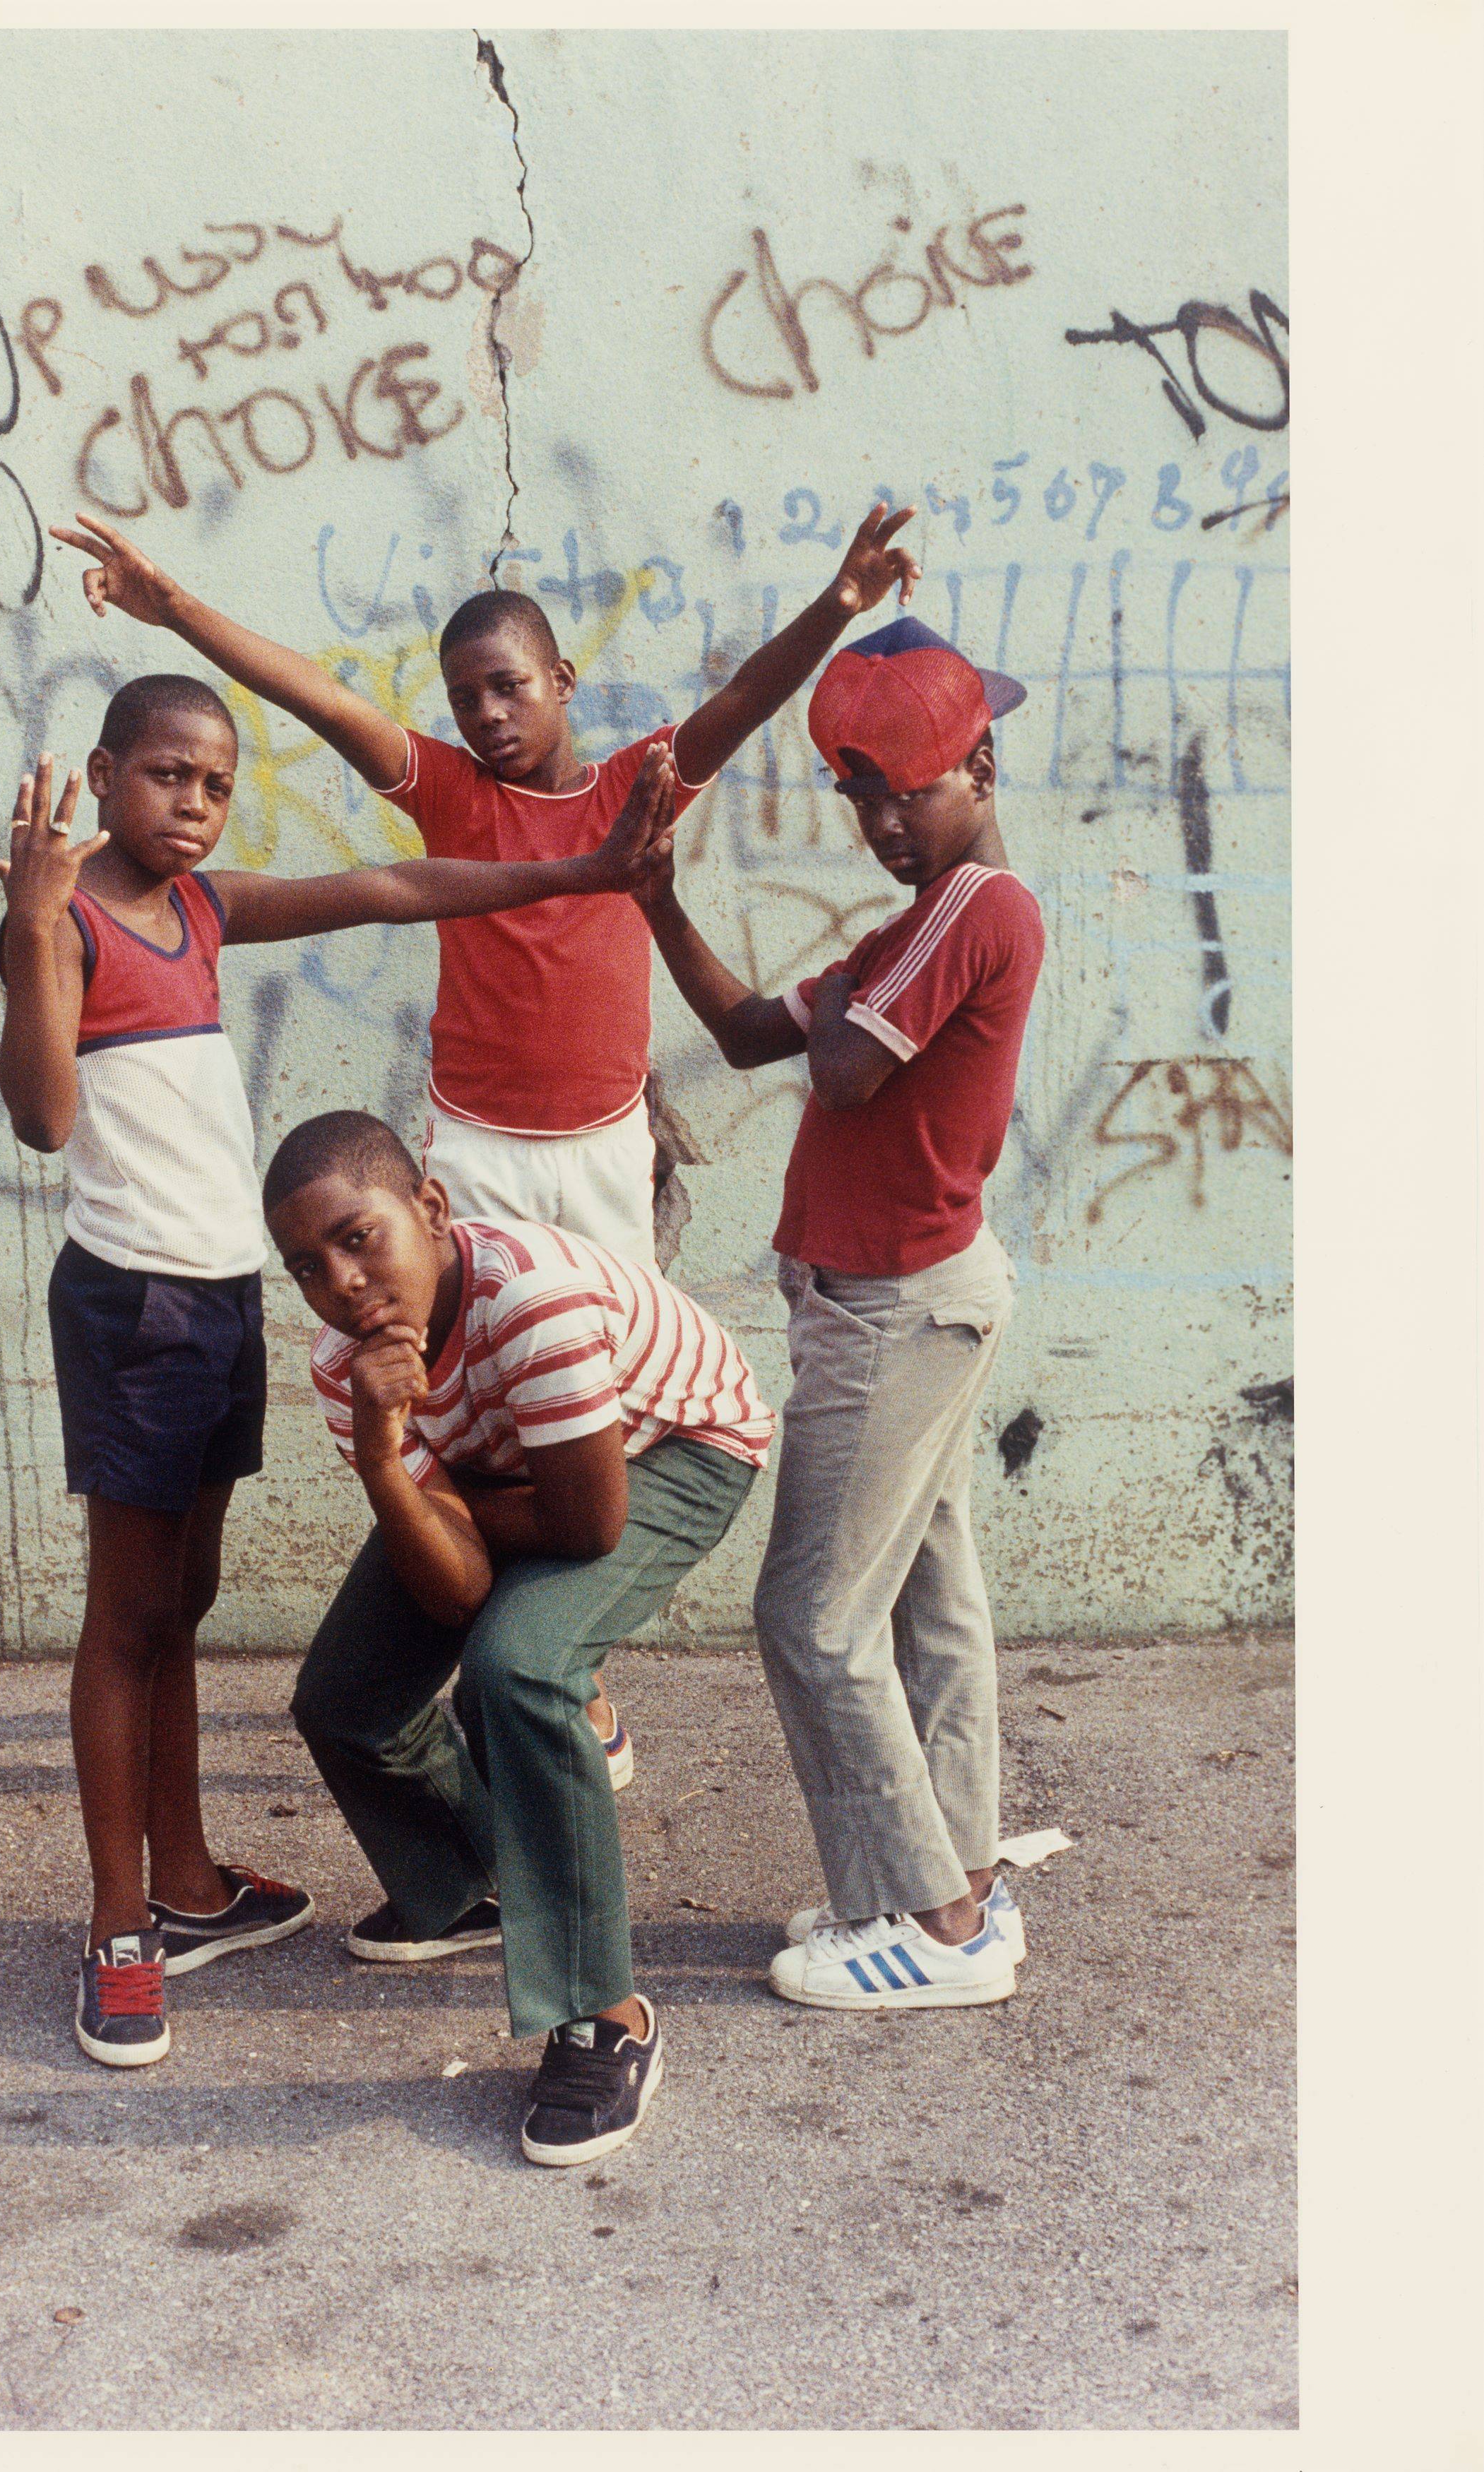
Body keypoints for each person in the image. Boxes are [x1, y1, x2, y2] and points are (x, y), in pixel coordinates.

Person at [48, 499, 919, 1781]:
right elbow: (312, 697)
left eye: (508, 687)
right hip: (475, 1157)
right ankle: (476, 1647)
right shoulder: (450, 791)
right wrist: (170, 604)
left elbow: (743, 696)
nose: (487, 716)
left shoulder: (636, 786)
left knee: (598, 1418)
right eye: (465, 698)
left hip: (605, 1149)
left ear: (561, 682)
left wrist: (839, 606)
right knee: (467, 1407)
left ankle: (576, 1668)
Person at [0, 679, 677, 2067]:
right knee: (127, 1621)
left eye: (216, 783)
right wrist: (28, 927)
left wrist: (591, 867)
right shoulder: (63, 920)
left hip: (220, 1304)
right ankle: (121, 1931)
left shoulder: (198, 910)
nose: (193, 801)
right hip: (132, 1312)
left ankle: (186, 1884)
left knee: (182, 1597)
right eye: (166, 773)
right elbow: (45, 1115)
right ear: (106, 774)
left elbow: (386, 883)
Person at [630, 616, 1045, 2012]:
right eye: (859, 794)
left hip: (897, 1317)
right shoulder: (912, 921)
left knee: (809, 1615)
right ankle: (959, 1886)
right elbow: (762, 1032)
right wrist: (655, 901)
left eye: (906, 789)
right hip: (891, 1310)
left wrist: (848, 1008)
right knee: (929, 1600)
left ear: (980, 762)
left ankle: (925, 1926)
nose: (880, 821)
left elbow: (852, 1069)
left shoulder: (977, 908)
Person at [262, 1101, 772, 2165]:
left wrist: (445, 1508)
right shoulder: (344, 1368)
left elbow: (586, 1523)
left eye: (359, 1239)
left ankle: (605, 2015)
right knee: (345, 1699)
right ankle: (473, 1884)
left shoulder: (529, 1299)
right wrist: (379, 1451)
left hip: (670, 1445)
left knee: (520, 1669)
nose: (342, 1283)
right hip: (520, 1468)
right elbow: (449, 1591)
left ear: (431, 1208)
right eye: (307, 1266)